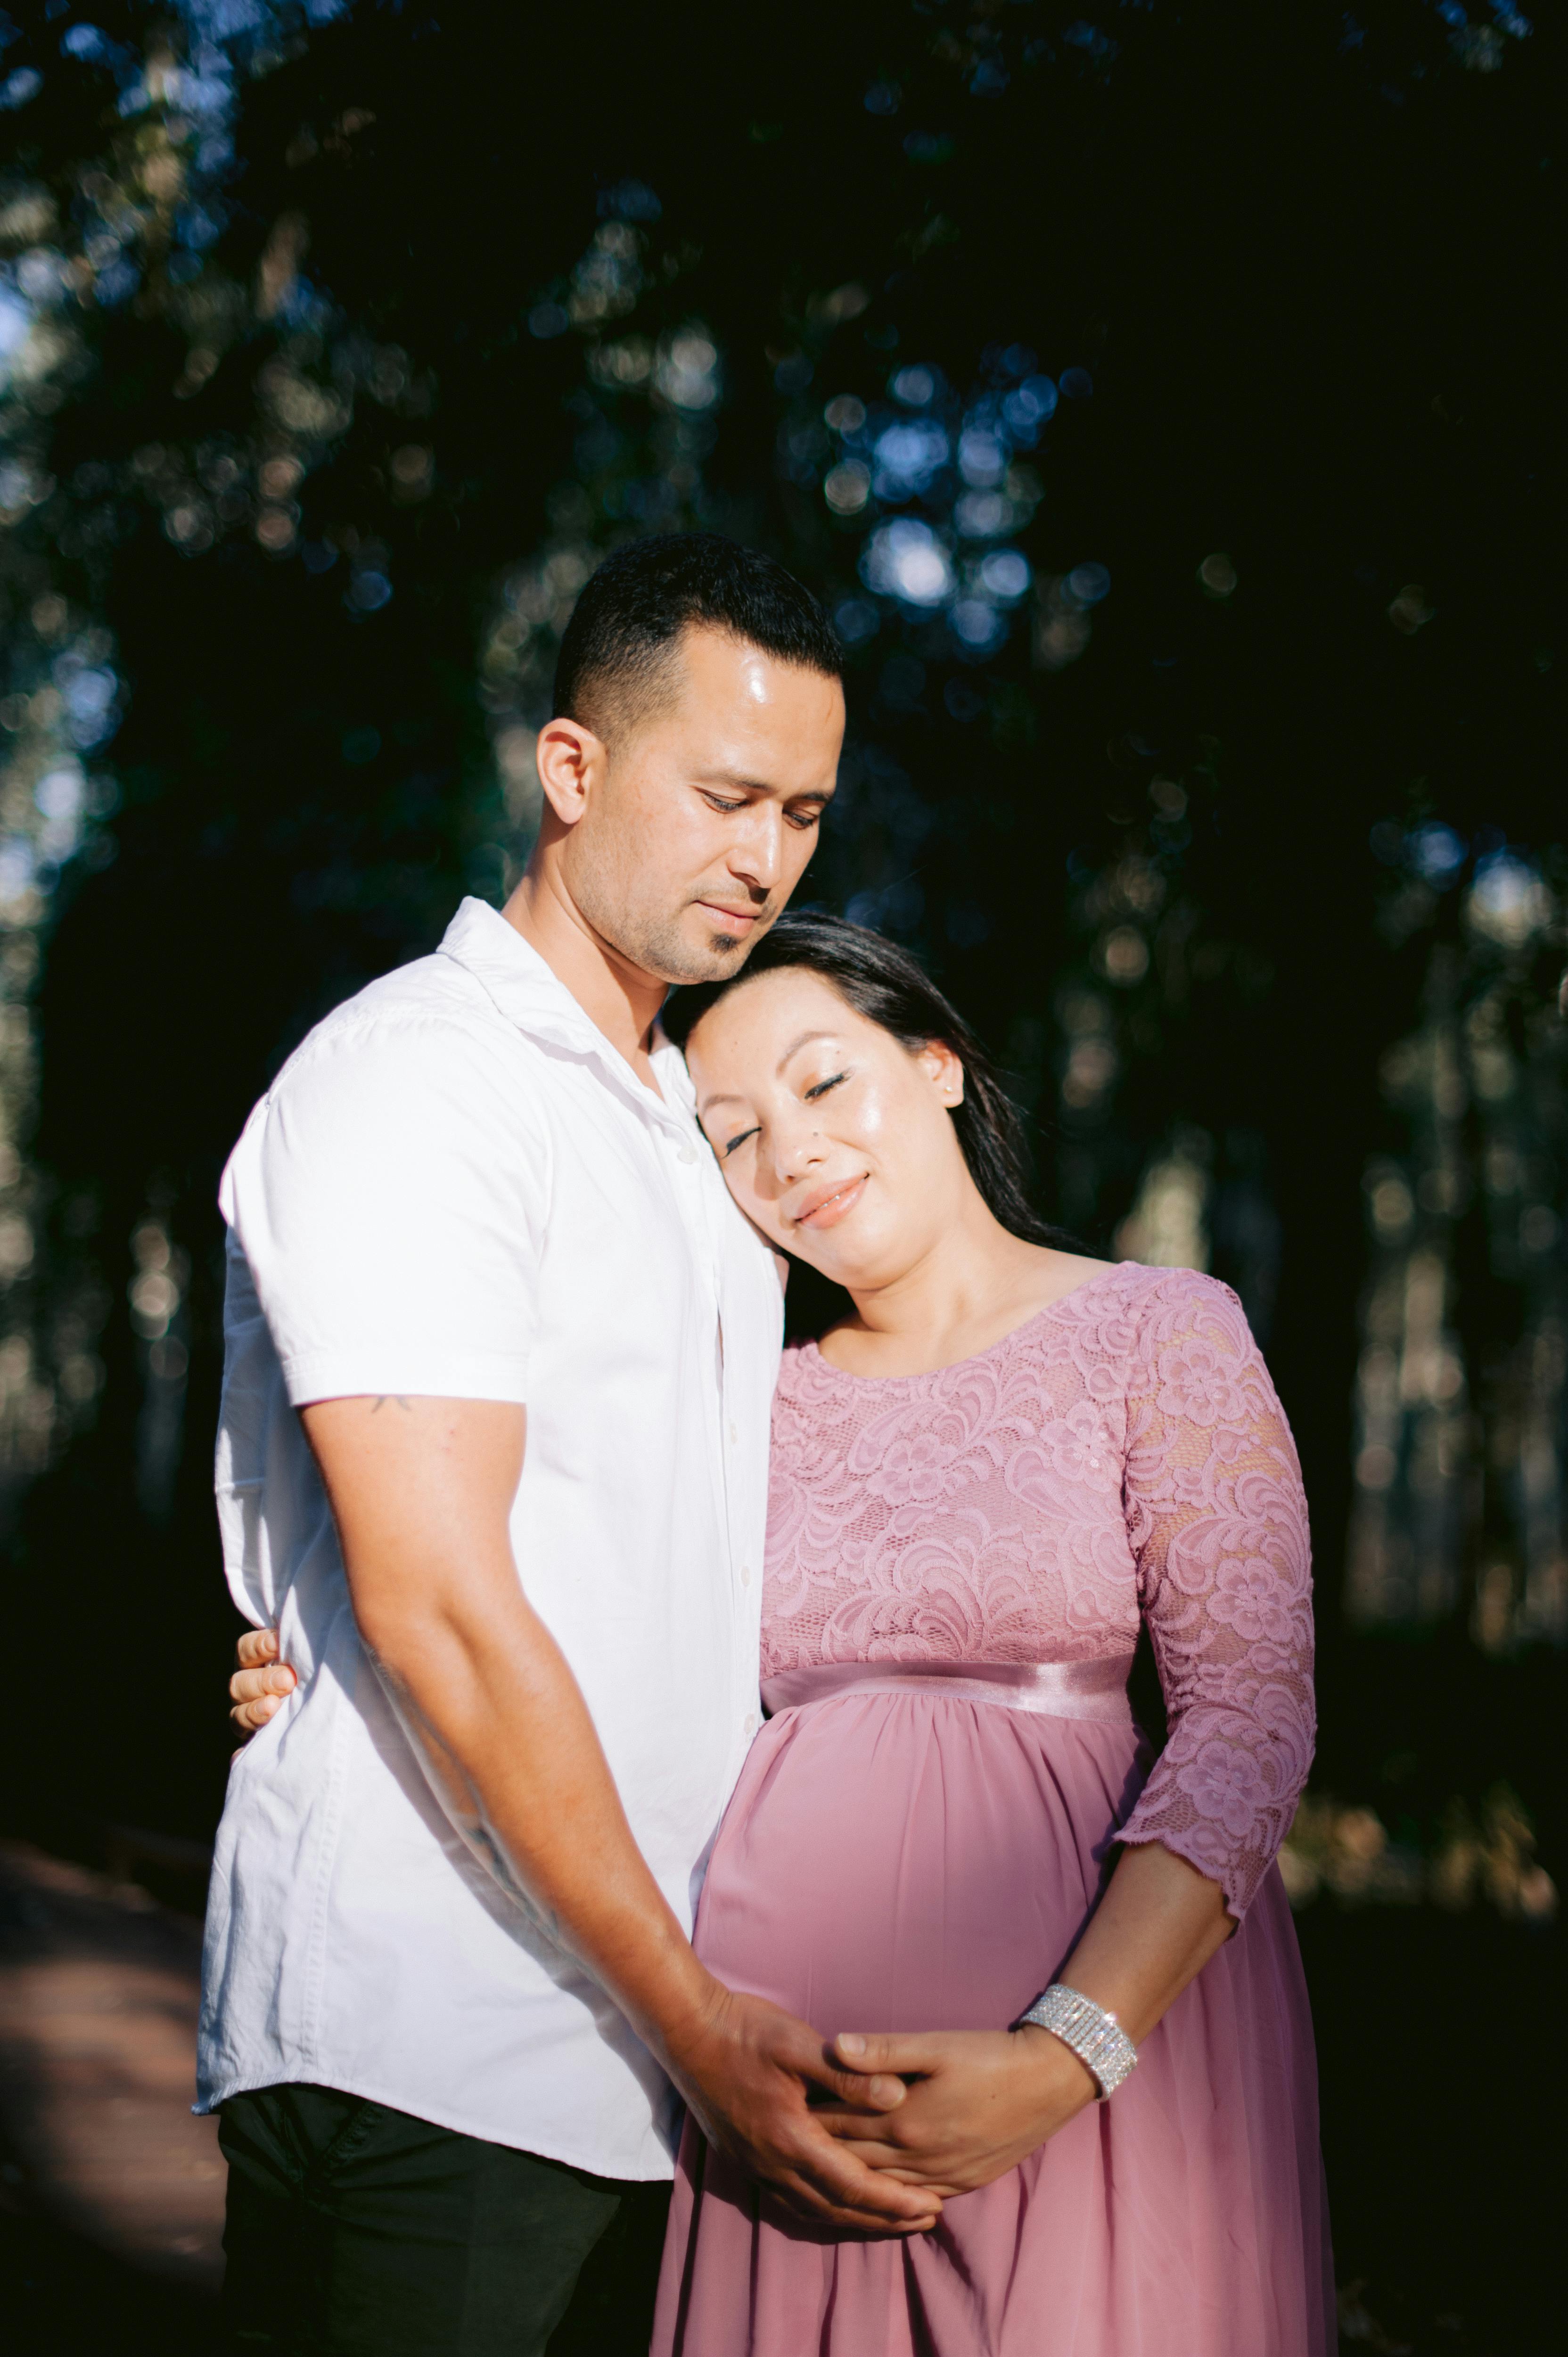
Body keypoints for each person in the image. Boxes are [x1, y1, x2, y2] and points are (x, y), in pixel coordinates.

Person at [203, 534, 938, 2357]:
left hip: (646, 2063)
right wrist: (698, 2019)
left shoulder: (696, 1131)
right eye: (727, 796)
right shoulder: (417, 1080)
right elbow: (443, 1605)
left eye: (808, 814)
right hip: (439, 2043)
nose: (767, 859)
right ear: (573, 771)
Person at [642, 913, 1335, 2356]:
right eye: (733, 1133)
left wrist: (1066, 2053)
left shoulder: (1160, 1330)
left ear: (939, 1065)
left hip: (1108, 2060)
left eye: (825, 1083)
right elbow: (578, 1644)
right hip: (789, 2090)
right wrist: (319, 1673)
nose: (793, 1153)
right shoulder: (738, 1405)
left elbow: (1251, 1720)